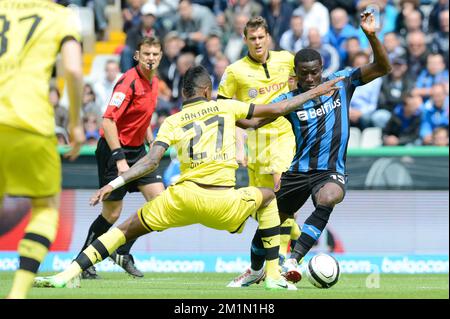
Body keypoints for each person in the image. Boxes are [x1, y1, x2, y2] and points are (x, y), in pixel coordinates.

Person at [32, 65, 342, 291]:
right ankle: (272, 274)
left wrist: (113, 183)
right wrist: (318, 90)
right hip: (223, 202)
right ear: (208, 90)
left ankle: (67, 274)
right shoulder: (225, 106)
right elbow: (281, 106)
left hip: (180, 199)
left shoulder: (172, 121)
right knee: (268, 197)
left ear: (183, 93)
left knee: (124, 228)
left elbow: (149, 160)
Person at [230, 9, 391, 285]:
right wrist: (227, 116)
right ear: (296, 74)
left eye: (315, 73)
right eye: (304, 74)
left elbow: (383, 67)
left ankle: (294, 259)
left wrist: (372, 36)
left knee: (329, 196)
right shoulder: (290, 100)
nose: (311, 79)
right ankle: (256, 268)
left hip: (329, 170)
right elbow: (252, 121)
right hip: (298, 171)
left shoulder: (341, 82)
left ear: (322, 69)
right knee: (268, 224)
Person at [0, 0, 85, 299]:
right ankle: (17, 293)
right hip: (30, 123)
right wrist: (75, 123)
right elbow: (73, 71)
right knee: (45, 209)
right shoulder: (61, 16)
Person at [217, 16, 301, 287]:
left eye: (261, 37)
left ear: (268, 38)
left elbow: (305, 82)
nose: (257, 43)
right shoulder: (234, 72)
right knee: (266, 208)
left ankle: (285, 265)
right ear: (245, 40)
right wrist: (238, 146)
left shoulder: (286, 59)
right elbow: (224, 112)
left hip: (283, 136)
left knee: (282, 193)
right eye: (252, 38)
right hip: (255, 144)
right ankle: (264, 267)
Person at [75, 36, 165, 280]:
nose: (151, 58)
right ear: (137, 56)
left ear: (160, 56)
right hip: (115, 150)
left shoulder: (155, 82)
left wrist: (151, 141)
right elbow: (108, 120)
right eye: (146, 53)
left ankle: (123, 251)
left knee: (161, 203)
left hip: (138, 152)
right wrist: (119, 158)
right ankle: (82, 263)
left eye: (155, 54)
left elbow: (144, 117)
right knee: (112, 213)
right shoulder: (128, 82)